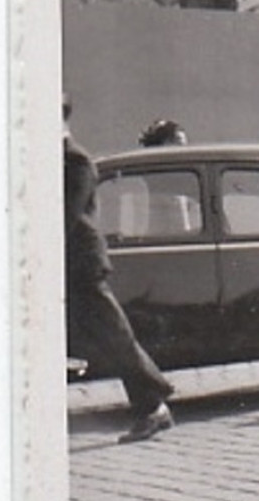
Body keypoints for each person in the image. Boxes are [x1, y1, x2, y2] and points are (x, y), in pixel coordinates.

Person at [64, 99, 176, 442]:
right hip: (65, 262)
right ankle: (152, 403)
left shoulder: (76, 159)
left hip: (81, 262)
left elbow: (65, 215)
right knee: (105, 337)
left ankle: (154, 401)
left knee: (114, 335)